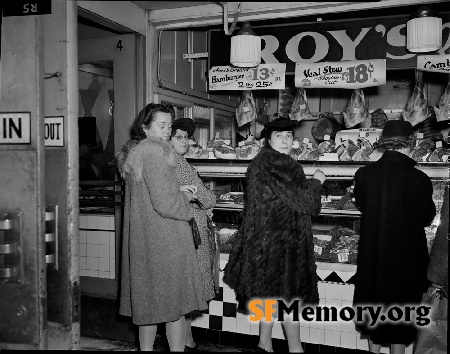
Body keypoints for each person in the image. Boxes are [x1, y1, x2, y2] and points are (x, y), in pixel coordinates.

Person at [223, 117, 326, 353]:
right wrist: (317, 182)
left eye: (289, 135)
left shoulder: (261, 162)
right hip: (283, 243)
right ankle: (295, 348)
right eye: (279, 136)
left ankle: (264, 344)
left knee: (269, 296)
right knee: (289, 297)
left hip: (265, 242)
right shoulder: (280, 164)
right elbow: (307, 202)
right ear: (268, 140)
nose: (285, 140)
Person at [116, 103, 208, 351]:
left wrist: (175, 189)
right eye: (162, 125)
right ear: (145, 128)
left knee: (149, 307)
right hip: (166, 241)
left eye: (169, 125)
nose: (167, 130)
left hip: (147, 240)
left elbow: (150, 194)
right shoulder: (157, 153)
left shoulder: (139, 153)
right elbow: (167, 205)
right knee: (175, 309)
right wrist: (187, 200)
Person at [352, 120, 436, 354]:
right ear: (410, 142)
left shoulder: (364, 174)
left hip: (373, 260)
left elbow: (361, 202)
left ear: (384, 143)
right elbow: (427, 216)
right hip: (405, 262)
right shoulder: (418, 178)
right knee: (401, 316)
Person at [169, 118, 218, 351]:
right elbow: (208, 198)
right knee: (189, 289)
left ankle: (188, 339)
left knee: (187, 290)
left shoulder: (175, 162)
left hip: (188, 230)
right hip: (191, 233)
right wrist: (207, 202)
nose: (184, 141)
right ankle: (186, 341)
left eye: (186, 137)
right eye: (178, 136)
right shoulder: (177, 164)